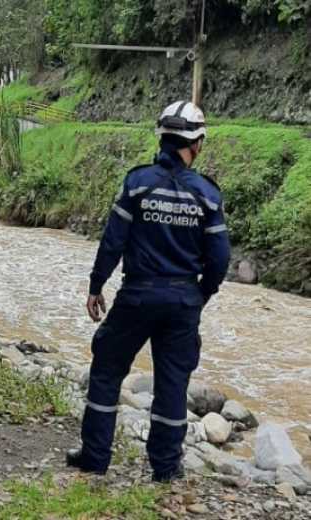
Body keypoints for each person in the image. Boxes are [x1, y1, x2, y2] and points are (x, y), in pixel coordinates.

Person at [66, 101, 231, 482]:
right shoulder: (207, 194)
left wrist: (96, 285)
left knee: (106, 370)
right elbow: (220, 258)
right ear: (197, 143)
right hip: (183, 299)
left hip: (137, 295)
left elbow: (113, 242)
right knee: (173, 383)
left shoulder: (137, 183)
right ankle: (165, 468)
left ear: (162, 138)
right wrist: (200, 295)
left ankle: (95, 458)